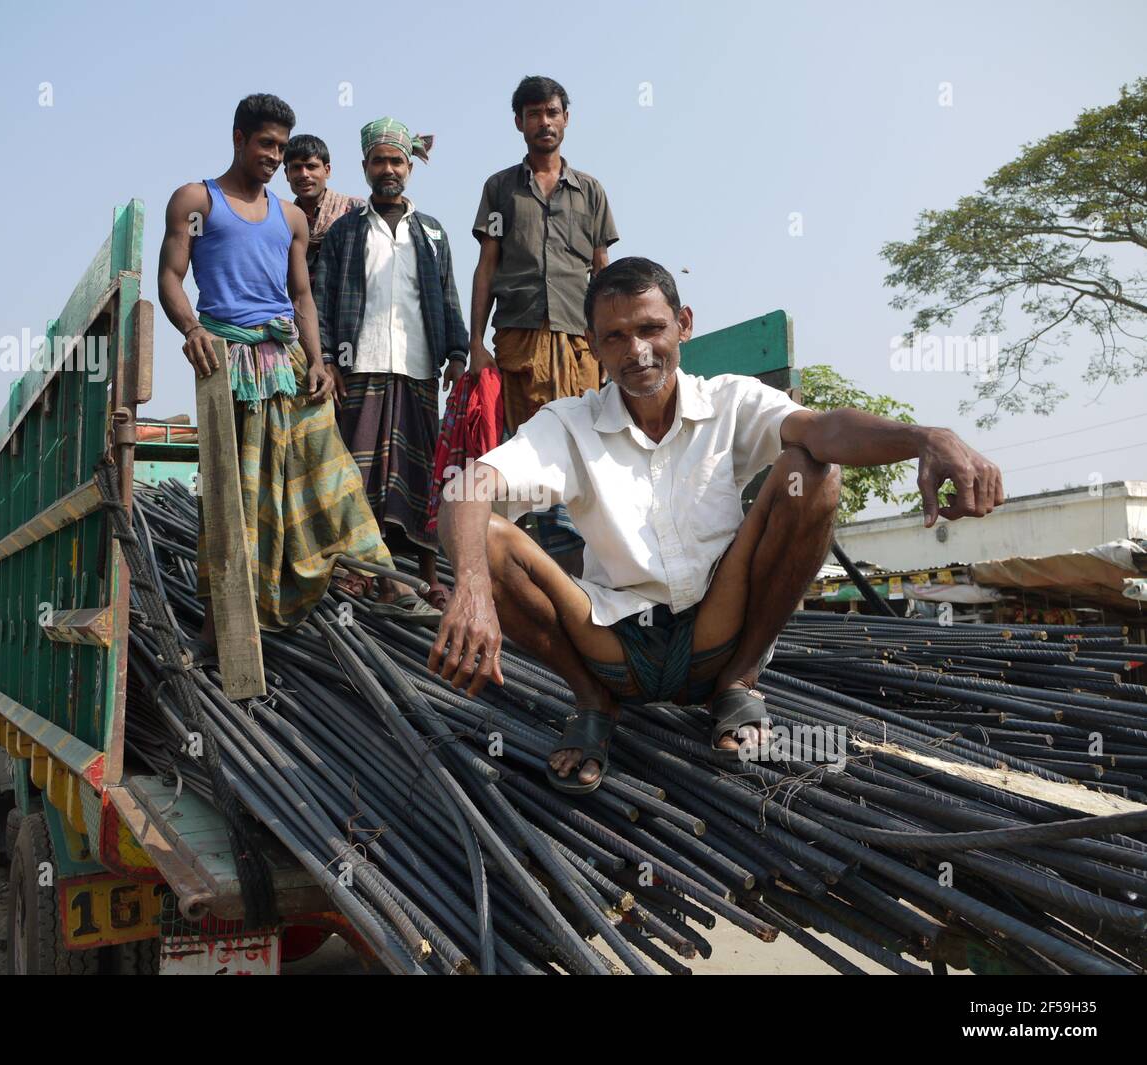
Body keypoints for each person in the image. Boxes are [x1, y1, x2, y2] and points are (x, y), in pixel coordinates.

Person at [429, 258, 1005, 794]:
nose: (638, 352)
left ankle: (739, 684)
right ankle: (592, 703)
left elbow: (824, 429)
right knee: (483, 535)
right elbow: (468, 486)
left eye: (652, 329)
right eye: (615, 337)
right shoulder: (569, 423)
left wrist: (927, 438)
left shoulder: (730, 401)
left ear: (683, 325)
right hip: (612, 645)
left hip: (719, 632)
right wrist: (472, 589)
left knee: (812, 472)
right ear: (593, 348)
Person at [157, 94, 394, 644]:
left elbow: (302, 295)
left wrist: (318, 359)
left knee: (329, 470)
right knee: (234, 494)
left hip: (286, 360)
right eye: (266, 144)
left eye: (282, 148)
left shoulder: (290, 218)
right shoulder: (198, 200)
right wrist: (192, 329)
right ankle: (222, 628)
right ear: (238, 138)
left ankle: (383, 580)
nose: (274, 156)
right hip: (228, 362)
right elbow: (171, 275)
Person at [315, 118, 468, 616]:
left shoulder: (433, 234)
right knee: (355, 477)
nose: (388, 169)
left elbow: (448, 297)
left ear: (409, 169)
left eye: (396, 161)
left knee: (417, 477)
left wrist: (458, 353)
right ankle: (360, 575)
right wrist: (325, 361)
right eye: (379, 161)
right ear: (364, 168)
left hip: (419, 369)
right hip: (357, 368)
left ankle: (426, 582)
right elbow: (321, 300)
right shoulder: (344, 233)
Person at [469, 75, 619, 576]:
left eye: (552, 112)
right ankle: (537, 569)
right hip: (519, 342)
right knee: (529, 452)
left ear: (566, 118)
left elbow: (603, 273)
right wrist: (475, 344)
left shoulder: (591, 192)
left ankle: (584, 571)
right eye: (533, 114)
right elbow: (487, 267)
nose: (544, 122)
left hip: (581, 345)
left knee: (582, 447)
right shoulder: (499, 189)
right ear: (519, 123)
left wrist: (611, 342)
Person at [284, 133, 364, 273]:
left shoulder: (355, 210)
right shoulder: (284, 220)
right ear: (286, 174)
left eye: (311, 166)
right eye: (296, 167)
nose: (304, 174)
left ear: (327, 171)